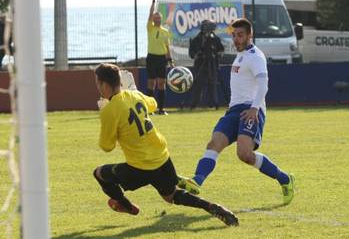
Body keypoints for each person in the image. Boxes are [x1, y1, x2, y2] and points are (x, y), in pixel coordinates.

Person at [92, 63, 239, 227]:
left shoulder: (109, 110)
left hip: (139, 166)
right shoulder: (134, 96)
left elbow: (107, 146)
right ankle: (211, 206)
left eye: (97, 83)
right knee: (171, 195)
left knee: (99, 173)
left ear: (104, 84)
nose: (97, 86)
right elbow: (153, 104)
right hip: (162, 156)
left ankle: (125, 205)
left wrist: (106, 114)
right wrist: (133, 91)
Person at [178, 18, 295, 205]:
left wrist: (254, 109)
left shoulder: (255, 56)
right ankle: (197, 180)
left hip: (251, 109)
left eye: (240, 35)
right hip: (234, 110)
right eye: (234, 35)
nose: (236, 39)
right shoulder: (240, 56)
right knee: (214, 143)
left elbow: (264, 85)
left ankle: (285, 179)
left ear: (250, 35)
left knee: (245, 155)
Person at [146, 0, 173, 115]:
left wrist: (170, 60)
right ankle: (150, 110)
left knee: (162, 83)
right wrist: (153, 1)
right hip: (151, 58)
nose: (156, 19)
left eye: (158, 18)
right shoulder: (150, 28)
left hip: (161, 59)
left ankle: (161, 109)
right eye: (155, 18)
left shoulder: (165, 32)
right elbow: (150, 13)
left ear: (161, 19)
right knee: (151, 83)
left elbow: (167, 47)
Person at [189, 20, 224, 109]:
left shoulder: (215, 38)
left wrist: (216, 54)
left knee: (212, 84)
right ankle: (194, 104)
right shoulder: (196, 39)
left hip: (212, 64)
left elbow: (221, 50)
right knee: (198, 85)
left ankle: (213, 104)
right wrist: (198, 53)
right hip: (200, 65)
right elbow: (192, 54)